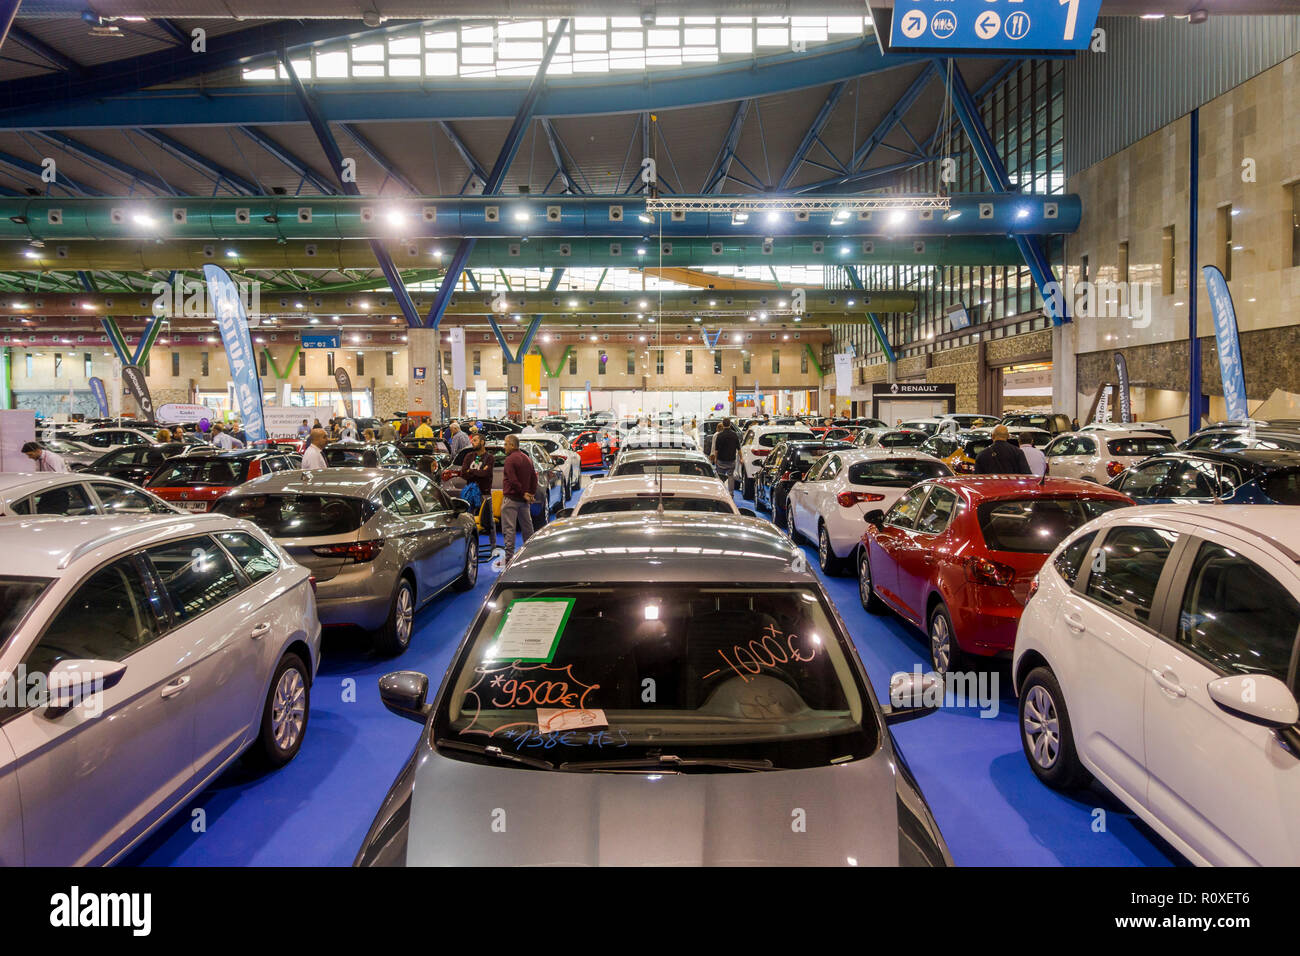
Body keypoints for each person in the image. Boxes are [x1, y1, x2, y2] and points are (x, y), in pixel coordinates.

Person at [500, 434, 536, 565]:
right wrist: (530, 493)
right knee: (528, 529)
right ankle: (530, 555)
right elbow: (534, 477)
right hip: (524, 501)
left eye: (505, 444)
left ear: (512, 445)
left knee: (509, 530)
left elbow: (512, 480)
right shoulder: (527, 458)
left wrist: (523, 493)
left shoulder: (510, 460)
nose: (504, 447)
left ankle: (509, 559)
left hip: (511, 499)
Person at [461, 433, 496, 544]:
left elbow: (486, 474)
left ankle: (493, 545)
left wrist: (471, 471)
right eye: (472, 440)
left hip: (484, 494)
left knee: (489, 521)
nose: (472, 442)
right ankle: (469, 545)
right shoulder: (469, 456)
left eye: (475, 440)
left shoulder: (489, 458)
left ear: (482, 442)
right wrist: (478, 472)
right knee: (468, 521)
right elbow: (463, 474)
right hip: (470, 494)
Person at [711, 417, 741, 493]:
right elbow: (739, 448)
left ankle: (720, 492)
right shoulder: (734, 435)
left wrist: (715, 459)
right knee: (731, 477)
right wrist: (741, 458)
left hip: (721, 460)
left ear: (723, 424)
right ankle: (731, 494)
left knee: (721, 478)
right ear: (730, 424)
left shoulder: (719, 435)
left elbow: (716, 450)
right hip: (731, 460)